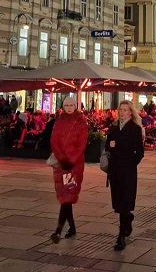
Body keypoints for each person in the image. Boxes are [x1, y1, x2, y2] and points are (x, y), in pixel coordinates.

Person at [106, 100, 144, 251]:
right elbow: (107, 144)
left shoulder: (134, 128)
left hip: (127, 170)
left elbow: (140, 152)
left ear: (130, 112)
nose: (122, 112)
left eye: (125, 110)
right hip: (115, 169)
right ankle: (128, 218)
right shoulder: (114, 127)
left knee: (125, 201)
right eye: (120, 109)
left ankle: (121, 236)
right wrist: (110, 145)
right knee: (118, 203)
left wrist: (131, 163)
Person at [49, 96, 88, 243]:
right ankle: (71, 227)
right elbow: (54, 141)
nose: (69, 107)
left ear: (76, 106)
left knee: (67, 196)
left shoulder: (81, 122)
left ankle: (58, 231)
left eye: (72, 105)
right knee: (66, 197)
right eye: (67, 105)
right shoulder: (59, 121)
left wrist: (70, 160)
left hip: (73, 166)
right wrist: (61, 158)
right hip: (61, 164)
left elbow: (81, 145)